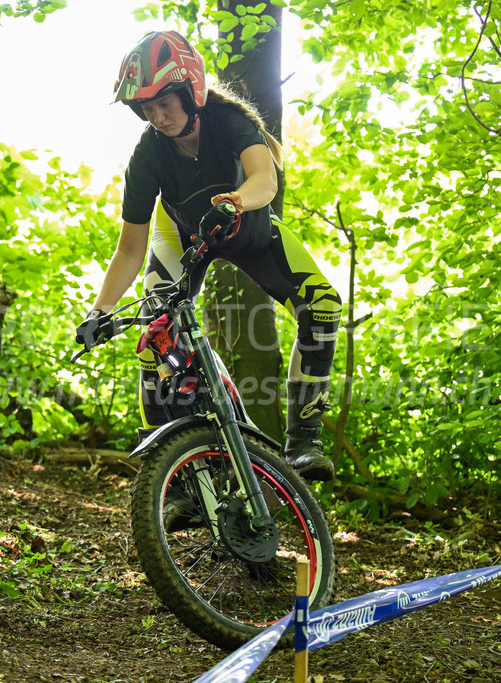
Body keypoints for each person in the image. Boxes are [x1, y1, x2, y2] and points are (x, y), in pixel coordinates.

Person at [76, 31, 341, 482]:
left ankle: (304, 440)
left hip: (248, 230)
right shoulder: (148, 154)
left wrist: (234, 201)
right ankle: (171, 480)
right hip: (180, 237)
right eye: (147, 107)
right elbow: (130, 248)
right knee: (156, 338)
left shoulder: (229, 121)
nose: (158, 116)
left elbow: (265, 180)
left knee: (323, 304)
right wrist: (100, 310)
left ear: (190, 90)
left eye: (166, 103)